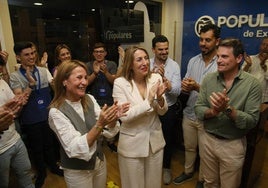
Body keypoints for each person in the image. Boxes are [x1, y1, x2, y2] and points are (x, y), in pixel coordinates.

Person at [48, 60, 128, 188]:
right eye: (79, 78)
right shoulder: (56, 112)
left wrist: (112, 119)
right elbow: (74, 148)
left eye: (85, 77)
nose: (85, 82)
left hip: (99, 162)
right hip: (77, 171)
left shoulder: (89, 99)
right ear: (64, 81)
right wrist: (100, 123)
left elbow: (107, 131)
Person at [194, 38, 262, 188]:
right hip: (207, 140)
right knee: (209, 182)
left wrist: (227, 109)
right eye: (218, 56)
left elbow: (252, 120)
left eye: (224, 57)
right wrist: (213, 111)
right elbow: (198, 108)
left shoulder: (252, 85)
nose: (218, 60)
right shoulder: (208, 79)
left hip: (232, 144)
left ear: (239, 58)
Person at [113, 46, 168, 188]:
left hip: (155, 143)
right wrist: (148, 101)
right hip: (132, 145)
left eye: (145, 58)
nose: (145, 63)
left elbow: (162, 112)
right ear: (130, 64)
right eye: (139, 59)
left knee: (154, 184)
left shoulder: (155, 78)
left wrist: (160, 99)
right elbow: (124, 116)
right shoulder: (120, 83)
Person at [9, 41, 63, 188]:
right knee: (37, 148)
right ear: (18, 58)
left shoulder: (43, 70)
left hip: (47, 116)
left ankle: (53, 167)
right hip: (31, 119)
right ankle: (42, 173)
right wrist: (30, 85)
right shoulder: (15, 77)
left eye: (33, 53)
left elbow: (53, 91)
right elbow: (20, 101)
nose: (31, 56)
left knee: (49, 145)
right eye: (27, 54)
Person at [173, 24, 221, 187]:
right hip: (189, 113)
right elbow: (186, 83)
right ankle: (188, 172)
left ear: (217, 41)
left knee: (206, 154)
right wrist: (185, 85)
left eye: (208, 40)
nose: (203, 43)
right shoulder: (193, 61)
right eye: (201, 39)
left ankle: (202, 179)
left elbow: (219, 94)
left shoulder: (220, 64)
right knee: (189, 147)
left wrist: (196, 87)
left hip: (208, 116)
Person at [149, 35, 181, 184]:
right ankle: (150, 166)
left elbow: (177, 92)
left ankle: (166, 168)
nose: (164, 52)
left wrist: (165, 81)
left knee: (167, 140)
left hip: (168, 109)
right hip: (150, 109)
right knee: (149, 138)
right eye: (160, 49)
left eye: (166, 49)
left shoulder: (174, 66)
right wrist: (152, 75)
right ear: (153, 50)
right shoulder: (146, 64)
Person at [0, 78, 35, 188]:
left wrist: (19, 104)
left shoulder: (1, 81)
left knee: (26, 177)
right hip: (1, 150)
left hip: (15, 139)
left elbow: (13, 109)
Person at [86, 42, 118, 152]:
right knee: (97, 125)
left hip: (109, 100)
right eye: (96, 52)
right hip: (95, 101)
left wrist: (105, 72)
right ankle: (97, 146)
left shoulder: (112, 64)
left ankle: (111, 143)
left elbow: (114, 81)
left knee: (111, 125)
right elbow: (86, 83)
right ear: (93, 54)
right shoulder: (88, 65)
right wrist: (94, 73)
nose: (99, 54)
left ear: (105, 53)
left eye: (101, 52)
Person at [242, 37, 268, 103]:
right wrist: (248, 65)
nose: (265, 47)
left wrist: (264, 67)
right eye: (263, 44)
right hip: (249, 97)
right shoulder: (251, 59)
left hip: (265, 100)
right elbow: (240, 76)